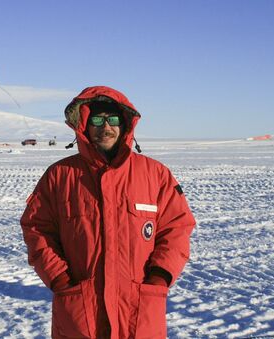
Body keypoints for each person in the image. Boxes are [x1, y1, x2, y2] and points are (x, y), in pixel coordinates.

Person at [21, 86, 196, 338]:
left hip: (139, 306)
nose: (106, 127)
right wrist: (59, 278)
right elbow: (37, 228)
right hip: (80, 307)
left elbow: (177, 227)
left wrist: (159, 276)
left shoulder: (155, 174)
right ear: (83, 124)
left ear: (124, 124)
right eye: (97, 120)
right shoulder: (59, 176)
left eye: (113, 119)